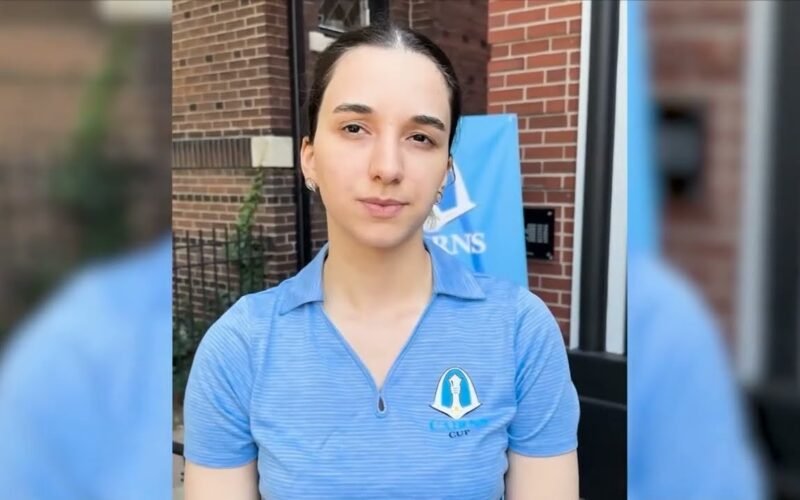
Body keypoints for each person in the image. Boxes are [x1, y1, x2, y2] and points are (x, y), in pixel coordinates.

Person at [183, 22, 579, 500]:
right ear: (309, 157)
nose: (387, 168)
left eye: (421, 137)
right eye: (354, 128)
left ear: (446, 173)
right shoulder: (241, 346)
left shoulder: (519, 331)